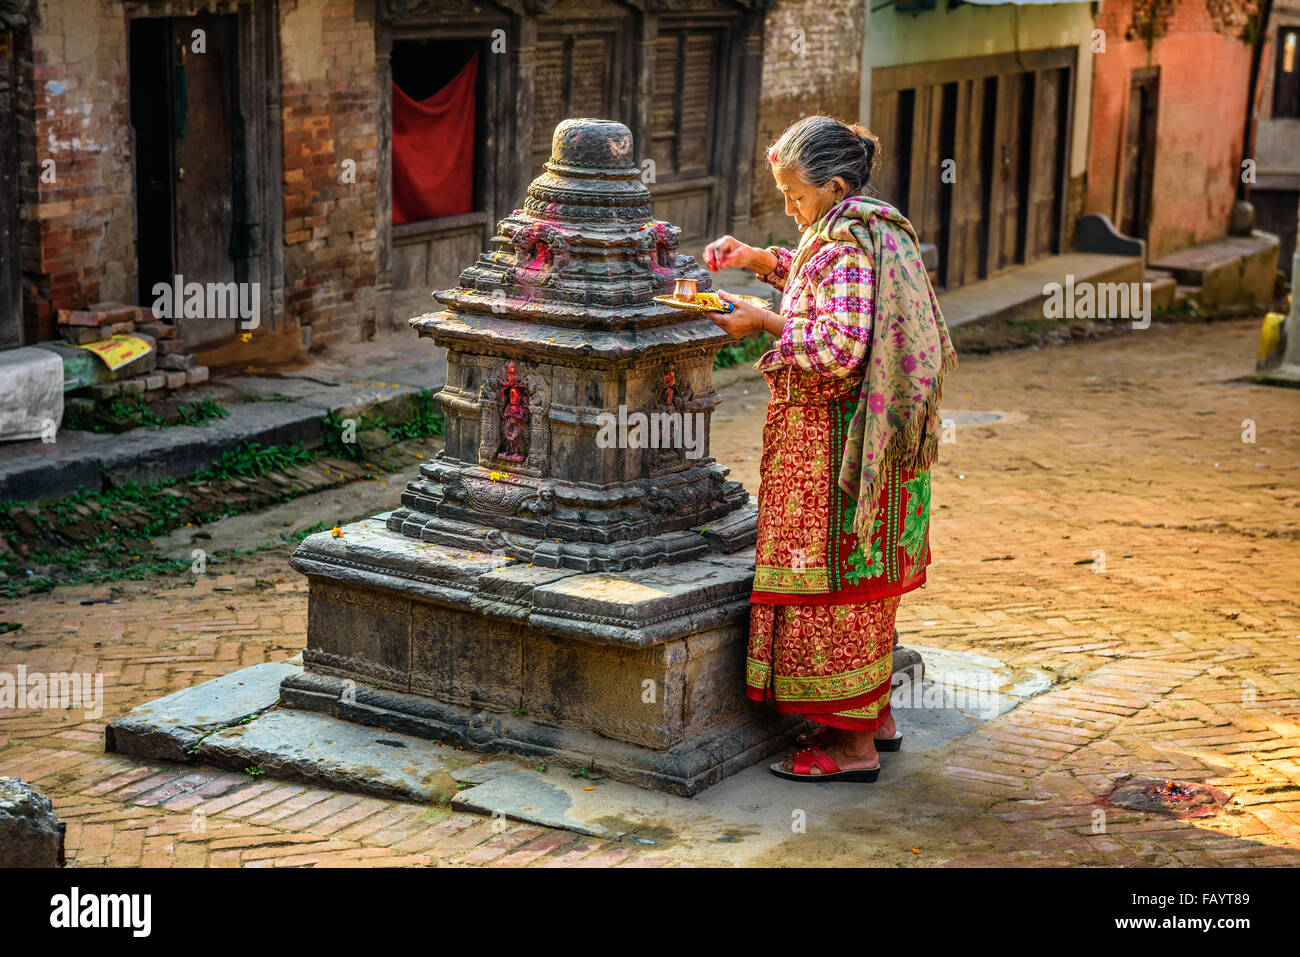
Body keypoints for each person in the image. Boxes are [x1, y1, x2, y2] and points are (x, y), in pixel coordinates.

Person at [702, 114, 957, 782]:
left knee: (833, 582)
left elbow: (838, 345)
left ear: (835, 184)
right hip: (874, 445)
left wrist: (758, 320)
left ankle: (850, 748)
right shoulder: (863, 226)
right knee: (864, 583)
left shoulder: (846, 240)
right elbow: (821, 280)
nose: (790, 208)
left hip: (835, 444)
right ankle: (874, 717)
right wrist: (755, 260)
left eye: (796, 197)